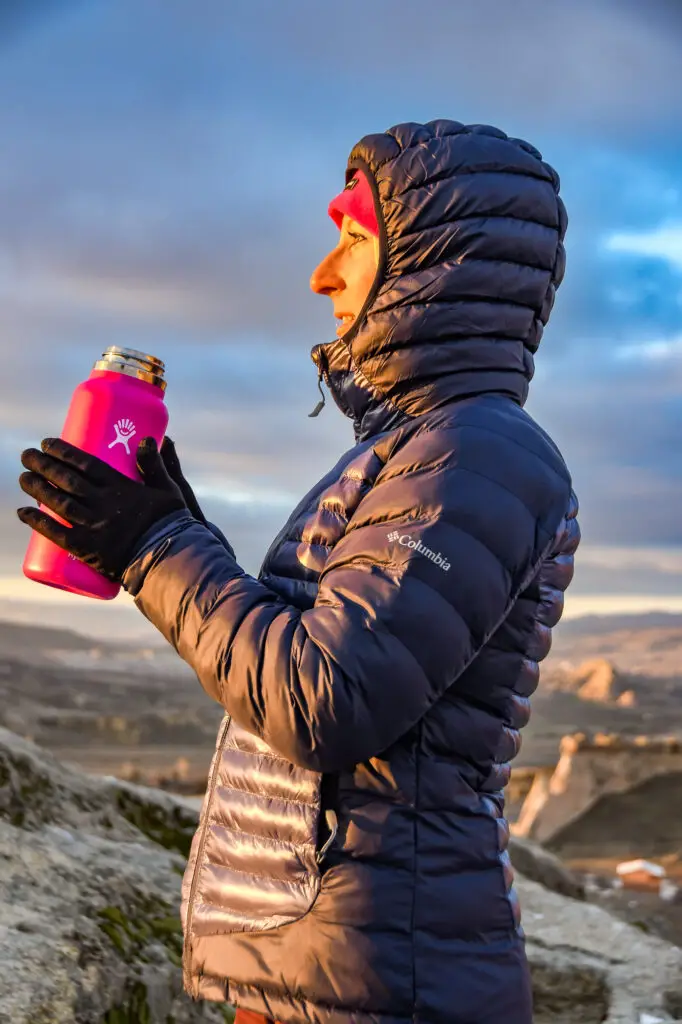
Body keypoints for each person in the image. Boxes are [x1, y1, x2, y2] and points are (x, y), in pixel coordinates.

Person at [17, 118, 580, 1024]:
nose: (323, 274)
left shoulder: (479, 454)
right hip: (336, 969)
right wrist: (170, 534)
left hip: (383, 984)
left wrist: (157, 546)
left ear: (439, 264)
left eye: (354, 239)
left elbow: (326, 699)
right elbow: (316, 657)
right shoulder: (421, 450)